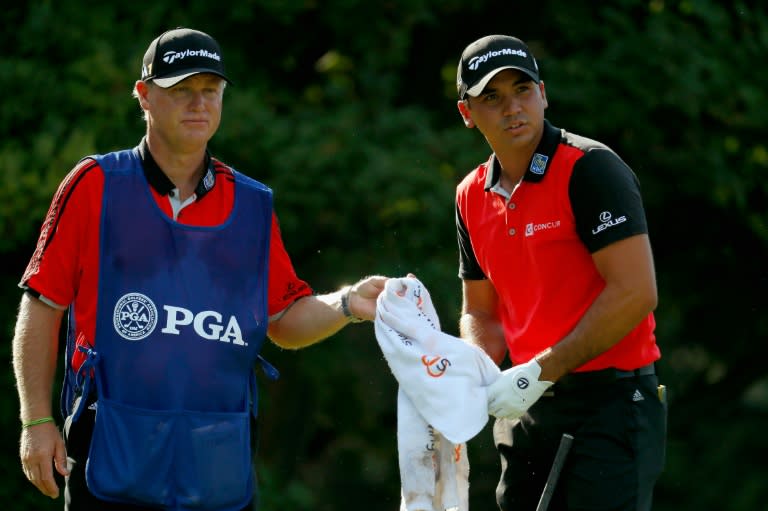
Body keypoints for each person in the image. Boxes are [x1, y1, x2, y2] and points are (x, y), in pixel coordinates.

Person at [11, 27, 386, 511]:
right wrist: (37, 422)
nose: (199, 103)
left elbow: (284, 321)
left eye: (210, 90)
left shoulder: (252, 204)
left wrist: (348, 303)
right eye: (182, 90)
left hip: (216, 464)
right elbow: (42, 305)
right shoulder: (96, 184)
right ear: (144, 96)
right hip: (110, 454)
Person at [453, 35, 666, 510]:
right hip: (526, 409)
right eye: (492, 97)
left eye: (523, 90)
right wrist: (476, 372)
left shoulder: (591, 169)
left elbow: (636, 292)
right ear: (467, 113)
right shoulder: (470, 196)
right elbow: (481, 312)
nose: (513, 108)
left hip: (611, 404)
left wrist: (538, 373)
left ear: (543, 93)